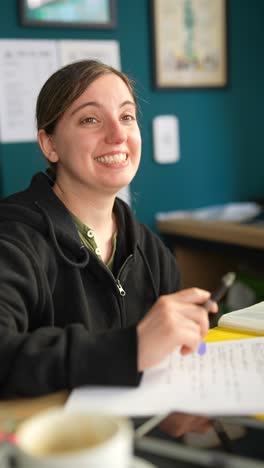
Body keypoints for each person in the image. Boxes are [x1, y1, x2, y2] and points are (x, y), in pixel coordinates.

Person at [0, 60, 217, 397]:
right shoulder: (12, 240)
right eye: (91, 119)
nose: (118, 135)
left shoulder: (151, 250)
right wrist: (131, 349)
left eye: (127, 116)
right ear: (49, 145)